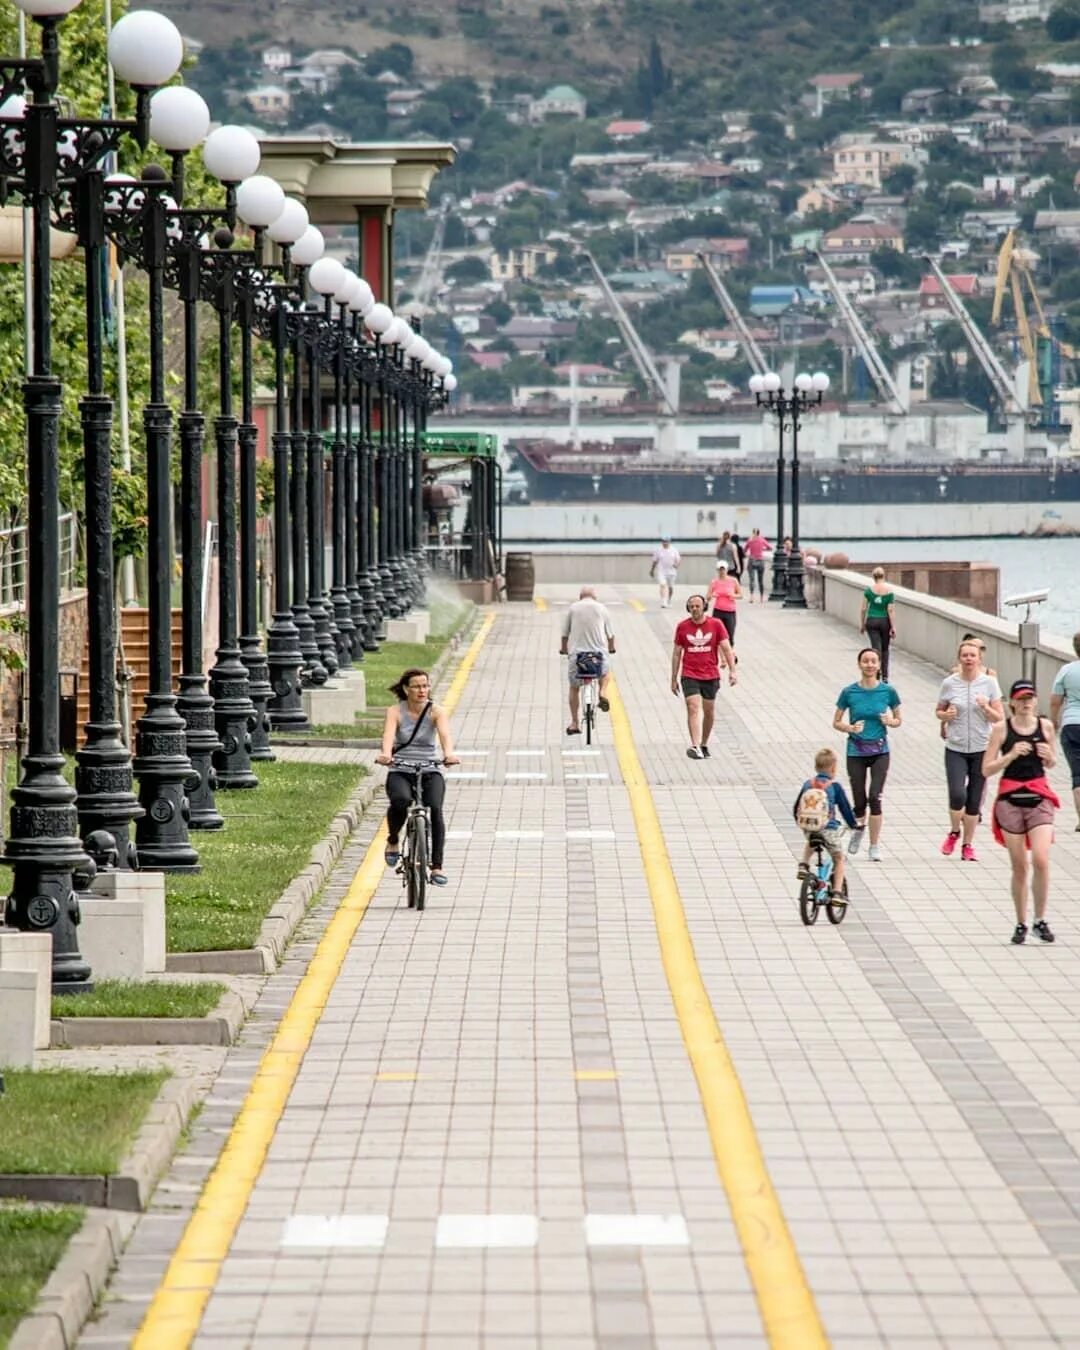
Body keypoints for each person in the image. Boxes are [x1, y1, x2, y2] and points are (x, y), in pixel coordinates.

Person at [983, 678, 1060, 945]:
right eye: (1021, 699)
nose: (1026, 703)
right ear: (1012, 702)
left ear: (1035, 701)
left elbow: (1052, 762)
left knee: (1040, 859)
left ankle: (1040, 919)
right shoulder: (1001, 730)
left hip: (1039, 797)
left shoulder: (1045, 726)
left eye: (1030, 698)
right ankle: (1021, 922)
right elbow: (986, 769)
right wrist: (1011, 755)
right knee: (1019, 866)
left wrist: (1048, 756)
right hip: (1010, 799)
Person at [376, 668, 460, 885]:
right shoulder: (395, 711)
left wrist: (448, 754)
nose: (422, 690)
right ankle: (393, 840)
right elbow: (388, 734)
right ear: (406, 689)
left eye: (425, 686)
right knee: (401, 801)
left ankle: (437, 867)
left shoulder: (436, 711)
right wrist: (386, 754)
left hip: (430, 768)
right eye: (417, 686)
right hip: (401, 768)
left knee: (435, 808)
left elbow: (444, 735)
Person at [936, 639, 1003, 861]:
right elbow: (939, 710)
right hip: (955, 747)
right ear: (959, 658)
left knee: (974, 800)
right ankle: (955, 831)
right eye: (965, 655)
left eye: (972, 656)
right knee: (957, 794)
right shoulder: (949, 683)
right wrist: (945, 717)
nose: (968, 659)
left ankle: (968, 844)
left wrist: (985, 707)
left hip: (981, 748)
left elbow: (999, 717)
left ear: (979, 659)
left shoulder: (989, 684)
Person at [833, 647, 902, 862]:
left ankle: (874, 845)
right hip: (856, 750)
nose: (870, 665)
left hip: (880, 750)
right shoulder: (849, 692)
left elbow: (898, 719)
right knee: (860, 800)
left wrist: (890, 722)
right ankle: (858, 829)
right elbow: (836, 721)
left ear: (879, 665)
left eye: (873, 661)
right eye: (866, 661)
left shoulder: (888, 692)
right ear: (859, 664)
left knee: (875, 797)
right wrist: (850, 728)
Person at [671, 593, 737, 760]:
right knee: (693, 706)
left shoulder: (716, 624)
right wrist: (673, 678)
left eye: (697, 606)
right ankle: (694, 745)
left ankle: (704, 744)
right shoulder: (682, 627)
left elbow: (727, 648)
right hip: (689, 673)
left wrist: (732, 671)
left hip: (710, 674)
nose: (694, 609)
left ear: (704, 607)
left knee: (709, 711)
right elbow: (677, 654)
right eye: (691, 607)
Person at [794, 747, 858, 898]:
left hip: (809, 827)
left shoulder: (807, 784)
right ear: (834, 768)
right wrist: (853, 824)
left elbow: (797, 806)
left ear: (816, 767)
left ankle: (803, 864)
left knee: (812, 840)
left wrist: (800, 822)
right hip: (829, 828)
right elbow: (845, 809)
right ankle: (836, 892)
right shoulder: (835, 787)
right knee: (839, 858)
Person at [560, 585, 616, 736]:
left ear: (580, 596)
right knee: (605, 674)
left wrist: (564, 650)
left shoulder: (573, 608)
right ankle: (602, 692)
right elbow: (610, 635)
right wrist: (611, 648)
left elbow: (565, 634)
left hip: (577, 655)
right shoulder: (602, 608)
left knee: (574, 687)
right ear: (595, 597)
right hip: (598, 654)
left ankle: (574, 723)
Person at [1050, 630, 1080, 831]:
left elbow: (1055, 701)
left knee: (1078, 775)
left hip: (1072, 725)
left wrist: (1054, 722)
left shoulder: (1067, 670)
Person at [859, 567, 896, 680]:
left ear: (873, 577)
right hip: (885, 621)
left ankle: (876, 674)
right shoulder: (889, 592)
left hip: (872, 620)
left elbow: (863, 608)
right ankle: (885, 675)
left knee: (876, 648)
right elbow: (890, 610)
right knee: (885, 649)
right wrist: (893, 626)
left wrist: (862, 624)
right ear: (883, 576)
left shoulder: (869, 591)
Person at [707, 560, 742, 644]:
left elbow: (740, 595)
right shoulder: (714, 582)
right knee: (716, 634)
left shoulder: (733, 581)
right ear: (717, 570)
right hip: (718, 611)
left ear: (727, 570)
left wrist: (733, 595)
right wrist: (712, 595)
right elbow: (707, 597)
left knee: (730, 635)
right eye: (720, 569)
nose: (722, 571)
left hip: (730, 612)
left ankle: (730, 654)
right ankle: (718, 653)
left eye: (723, 569)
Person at [650, 536, 681, 608]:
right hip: (661, 571)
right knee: (663, 584)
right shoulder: (658, 550)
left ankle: (669, 600)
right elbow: (655, 561)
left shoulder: (674, 550)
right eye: (663, 541)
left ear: (669, 542)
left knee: (670, 587)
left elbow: (678, 560)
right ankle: (663, 601)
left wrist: (676, 565)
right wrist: (652, 570)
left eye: (666, 541)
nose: (665, 543)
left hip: (671, 572)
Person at [743, 527, 770, 603]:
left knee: (752, 579)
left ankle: (751, 597)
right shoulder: (762, 540)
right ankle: (761, 597)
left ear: (753, 533)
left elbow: (744, 550)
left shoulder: (750, 540)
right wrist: (762, 549)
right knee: (760, 580)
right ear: (759, 533)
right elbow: (770, 547)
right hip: (760, 560)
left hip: (752, 560)